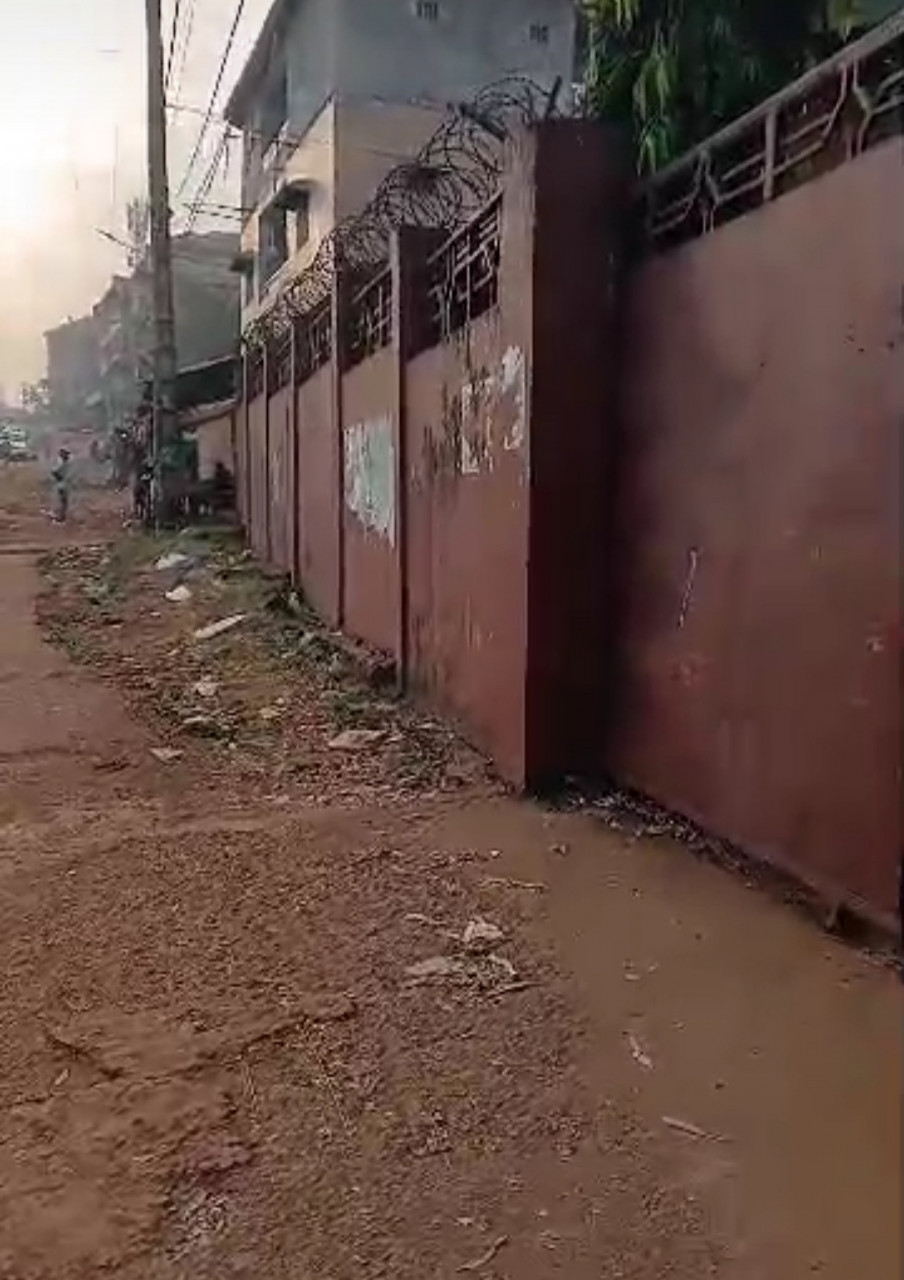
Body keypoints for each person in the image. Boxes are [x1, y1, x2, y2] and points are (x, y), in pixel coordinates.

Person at [50, 448, 72, 523]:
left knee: (62, 501)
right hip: (64, 484)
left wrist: (57, 477)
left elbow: (55, 472)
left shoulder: (62, 463)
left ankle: (60, 517)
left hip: (62, 484)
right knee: (63, 501)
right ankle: (60, 516)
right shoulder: (66, 463)